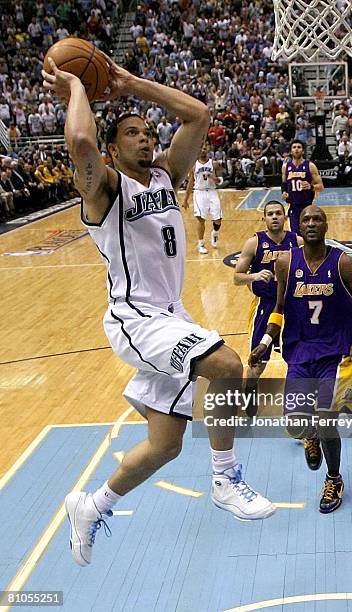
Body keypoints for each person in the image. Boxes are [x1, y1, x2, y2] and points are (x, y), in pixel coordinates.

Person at [42, 55, 275, 566]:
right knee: (227, 365)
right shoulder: (104, 190)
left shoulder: (168, 175)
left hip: (172, 316)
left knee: (165, 444)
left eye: (149, 132)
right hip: (137, 317)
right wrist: (79, 87)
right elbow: (80, 144)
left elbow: (198, 115)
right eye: (133, 133)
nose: (146, 138)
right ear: (113, 148)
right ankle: (225, 478)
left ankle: (92, 504)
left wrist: (131, 85)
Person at [249, 205, 352, 513]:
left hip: (335, 356)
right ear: (299, 225)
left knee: (326, 421)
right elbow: (278, 308)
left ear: (325, 225)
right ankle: (308, 436)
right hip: (299, 352)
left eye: (317, 219)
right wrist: (266, 341)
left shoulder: (343, 263)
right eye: (305, 219)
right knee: (295, 424)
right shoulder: (285, 263)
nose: (310, 223)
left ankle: (333, 479)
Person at [234, 201, 299, 415]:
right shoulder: (254, 243)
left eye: (278, 213)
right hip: (266, 305)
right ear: (264, 218)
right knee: (258, 361)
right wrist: (254, 275)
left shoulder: (296, 241)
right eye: (270, 214)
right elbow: (237, 277)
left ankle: (298, 404)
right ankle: (250, 392)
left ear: (285, 217)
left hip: (292, 306)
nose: (274, 217)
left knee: (297, 357)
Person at [183, 143, 222, 254]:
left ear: (208, 150)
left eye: (205, 148)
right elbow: (190, 183)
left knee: (218, 220)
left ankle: (214, 233)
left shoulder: (214, 164)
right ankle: (201, 244)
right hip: (199, 192)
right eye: (201, 148)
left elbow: (220, 181)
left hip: (212, 191)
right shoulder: (194, 165)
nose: (203, 150)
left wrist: (213, 177)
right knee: (201, 218)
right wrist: (186, 199)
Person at [281, 140, 323, 234]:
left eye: (299, 147)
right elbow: (284, 183)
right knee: (295, 235)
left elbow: (321, 187)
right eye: (294, 147)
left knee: (308, 234)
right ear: (291, 151)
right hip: (293, 206)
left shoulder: (310, 165)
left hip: (307, 206)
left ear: (303, 151)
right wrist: (283, 192)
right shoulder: (285, 167)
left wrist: (311, 187)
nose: (296, 149)